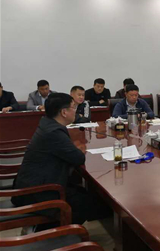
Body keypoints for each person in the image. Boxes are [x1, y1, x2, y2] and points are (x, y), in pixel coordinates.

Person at [12, 93, 101, 226]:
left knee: (84, 193)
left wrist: (73, 149)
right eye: (73, 107)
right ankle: (50, 231)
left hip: (36, 182)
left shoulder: (48, 124)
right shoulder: (53, 132)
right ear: (64, 112)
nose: (76, 111)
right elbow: (78, 158)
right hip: (36, 192)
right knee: (88, 203)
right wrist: (77, 150)